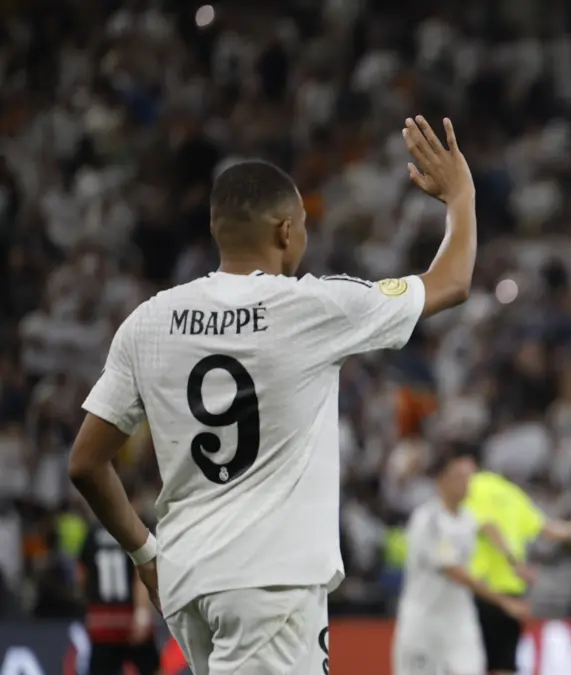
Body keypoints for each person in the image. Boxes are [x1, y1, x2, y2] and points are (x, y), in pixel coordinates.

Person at [66, 115, 477, 675]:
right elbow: (451, 281)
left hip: (187, 582)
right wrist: (460, 195)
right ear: (286, 231)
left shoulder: (148, 322)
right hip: (270, 584)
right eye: (304, 226)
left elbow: (86, 463)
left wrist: (145, 554)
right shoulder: (311, 308)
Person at [392, 450, 527, 675]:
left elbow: (487, 527)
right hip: (425, 619)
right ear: (442, 480)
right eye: (460, 477)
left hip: (459, 618)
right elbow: (454, 571)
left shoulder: (467, 516)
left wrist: (513, 559)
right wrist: (503, 601)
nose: (467, 484)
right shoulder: (429, 520)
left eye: (469, 477)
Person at [463, 470, 571, 675]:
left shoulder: (475, 486)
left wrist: (513, 561)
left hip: (482, 586)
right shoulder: (514, 493)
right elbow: (549, 529)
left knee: (473, 661)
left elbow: (486, 525)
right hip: (509, 588)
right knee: (503, 662)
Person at [78, 517, 160, 675]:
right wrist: (142, 613)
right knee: (153, 669)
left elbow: (81, 576)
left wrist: (90, 603)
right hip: (131, 617)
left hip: (102, 621)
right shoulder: (134, 529)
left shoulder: (92, 534)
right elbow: (142, 572)